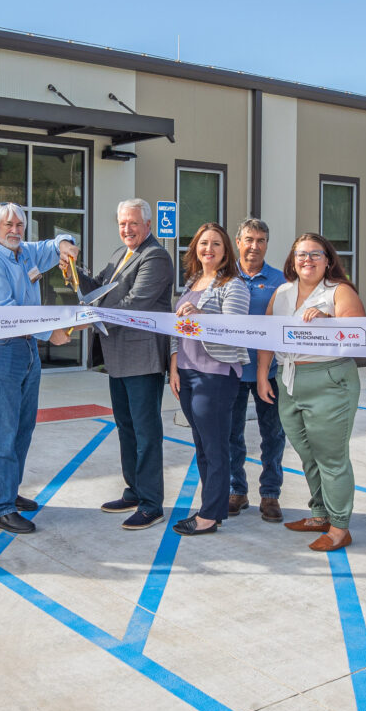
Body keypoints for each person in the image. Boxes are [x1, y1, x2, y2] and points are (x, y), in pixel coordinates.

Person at [0, 203, 78, 534]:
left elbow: (55, 243)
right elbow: (8, 314)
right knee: (3, 426)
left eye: (19, 225)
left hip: (27, 347)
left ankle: (10, 492)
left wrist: (66, 246)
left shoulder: (24, 252)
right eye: (8, 224)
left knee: (23, 424)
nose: (14, 230)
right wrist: (51, 333)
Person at [257, 234, 366, 552]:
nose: (307, 260)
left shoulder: (338, 291)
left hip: (329, 380)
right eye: (301, 255)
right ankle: (320, 514)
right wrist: (264, 375)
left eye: (315, 254)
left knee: (331, 458)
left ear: (328, 260)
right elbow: (268, 336)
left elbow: (358, 329)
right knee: (308, 454)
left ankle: (340, 527)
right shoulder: (282, 292)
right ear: (292, 260)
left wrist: (328, 319)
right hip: (289, 380)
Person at [75, 198, 175, 531]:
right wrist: (72, 270)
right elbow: (97, 290)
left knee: (146, 432)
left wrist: (90, 319)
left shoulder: (156, 257)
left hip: (142, 359)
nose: (127, 229)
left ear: (147, 224)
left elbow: (135, 304)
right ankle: (134, 491)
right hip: (117, 358)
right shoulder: (121, 255)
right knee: (126, 427)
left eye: (133, 223)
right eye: (122, 224)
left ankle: (151, 503)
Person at [167, 223, 251, 536]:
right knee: (202, 446)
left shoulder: (233, 285)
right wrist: (174, 367)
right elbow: (176, 329)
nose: (209, 249)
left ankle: (210, 515)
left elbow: (234, 328)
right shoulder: (190, 281)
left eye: (216, 244)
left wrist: (201, 316)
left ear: (226, 251)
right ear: (195, 249)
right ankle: (209, 506)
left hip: (216, 375)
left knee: (216, 448)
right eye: (203, 243)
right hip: (187, 374)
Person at [228, 218, 288, 523]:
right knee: (231, 435)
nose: (254, 246)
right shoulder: (224, 277)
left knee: (273, 436)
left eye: (261, 240)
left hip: (271, 372)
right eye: (249, 239)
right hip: (232, 371)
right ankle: (236, 491)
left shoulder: (281, 280)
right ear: (238, 242)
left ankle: (270, 495)